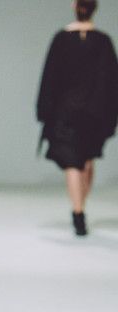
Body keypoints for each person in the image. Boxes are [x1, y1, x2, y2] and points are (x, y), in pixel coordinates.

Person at [36, 0, 118, 235]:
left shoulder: (61, 39)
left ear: (75, 6)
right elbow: (112, 82)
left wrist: (44, 111)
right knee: (87, 161)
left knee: (73, 162)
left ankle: (78, 212)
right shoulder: (103, 42)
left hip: (66, 112)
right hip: (95, 113)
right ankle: (80, 208)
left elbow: (49, 77)